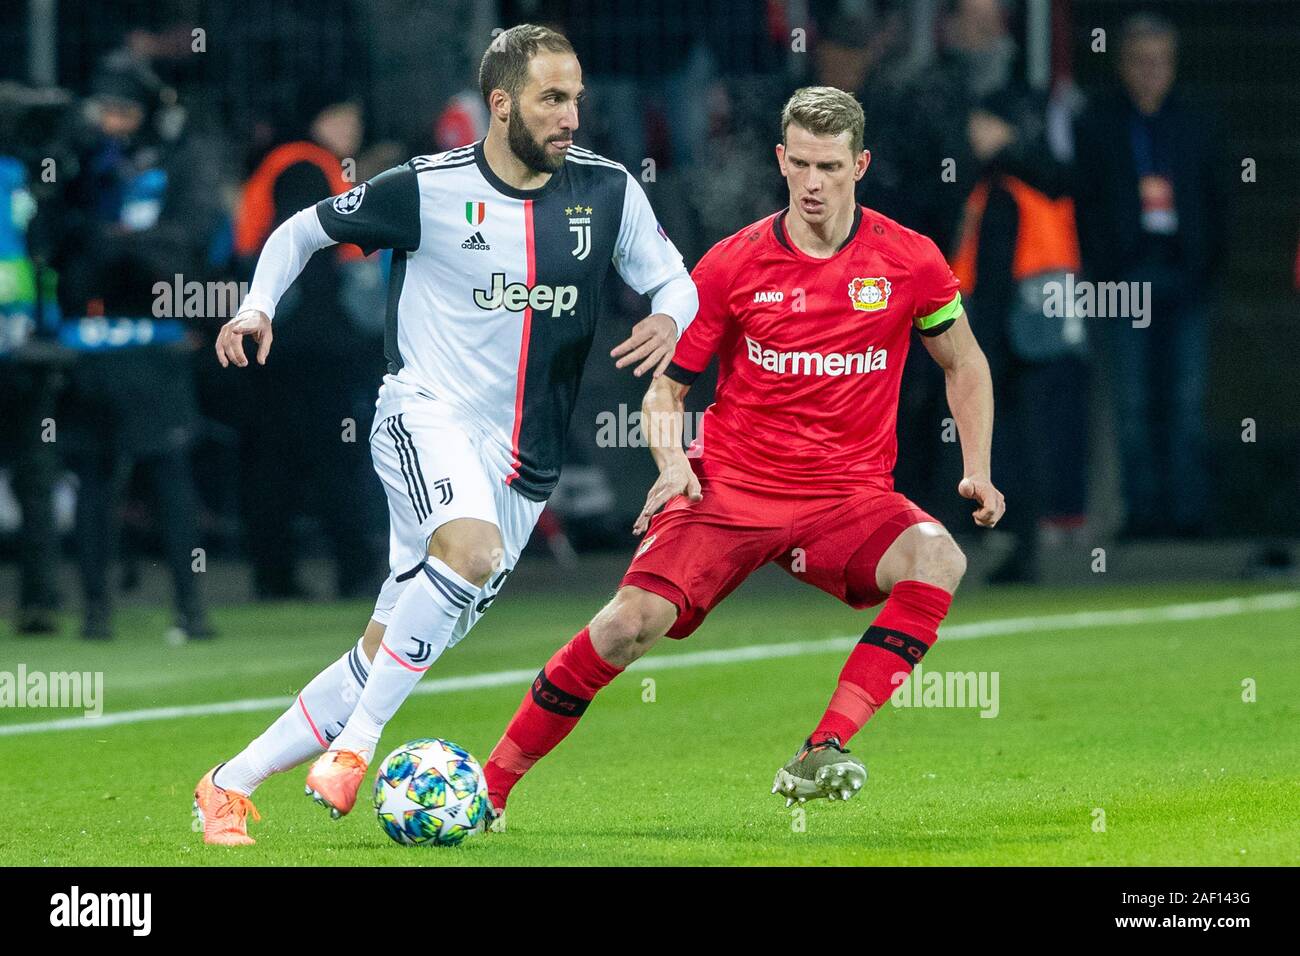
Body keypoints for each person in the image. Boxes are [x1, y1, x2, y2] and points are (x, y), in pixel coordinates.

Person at [192, 24, 697, 845]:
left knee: (386, 651)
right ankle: (356, 751)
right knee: (468, 553)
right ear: (501, 105)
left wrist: (673, 314)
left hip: (524, 466)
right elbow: (301, 232)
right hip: (423, 414)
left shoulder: (607, 192)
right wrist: (256, 306)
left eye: (576, 98)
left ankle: (227, 783)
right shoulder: (426, 188)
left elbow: (674, 278)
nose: (571, 116)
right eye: (551, 99)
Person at [481, 86, 1004, 826]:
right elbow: (666, 392)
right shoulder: (732, 266)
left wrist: (975, 466)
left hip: (846, 499)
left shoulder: (909, 260)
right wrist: (671, 465)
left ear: (861, 164)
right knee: (625, 626)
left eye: (830, 166)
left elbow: (966, 363)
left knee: (938, 558)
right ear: (781, 161)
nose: (814, 183)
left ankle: (822, 750)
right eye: (801, 165)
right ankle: (491, 787)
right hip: (728, 490)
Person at [1073, 13, 1225, 538]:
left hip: (1183, 275)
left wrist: (1205, 269)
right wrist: (1105, 268)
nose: (1150, 73)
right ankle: (1141, 517)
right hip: (1125, 278)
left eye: (1159, 62)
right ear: (1122, 64)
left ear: (1174, 64)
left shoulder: (1197, 123)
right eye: (1140, 62)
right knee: (1131, 402)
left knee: (1184, 400)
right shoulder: (1098, 123)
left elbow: (1218, 199)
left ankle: (1187, 517)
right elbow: (1086, 205)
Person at [232, 95, 384, 600]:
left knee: (277, 459)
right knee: (333, 457)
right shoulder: (305, 165)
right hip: (306, 344)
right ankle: (352, 569)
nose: (353, 129)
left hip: (282, 340)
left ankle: (276, 574)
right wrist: (341, 334)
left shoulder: (284, 162)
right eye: (344, 116)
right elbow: (306, 252)